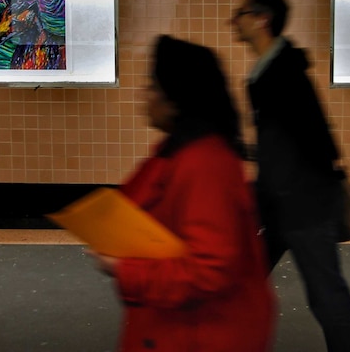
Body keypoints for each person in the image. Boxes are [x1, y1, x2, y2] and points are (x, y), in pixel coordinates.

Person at [86, 34, 275, 352]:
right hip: (184, 328)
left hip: (202, 334)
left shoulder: (204, 164)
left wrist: (124, 269)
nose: (143, 94)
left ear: (174, 96)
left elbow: (209, 270)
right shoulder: (183, 151)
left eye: (151, 85)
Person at [231, 0, 350, 352]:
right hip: (285, 201)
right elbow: (285, 140)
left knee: (326, 295)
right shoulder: (268, 70)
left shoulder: (282, 72)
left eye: (242, 13)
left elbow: (311, 137)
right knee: (246, 281)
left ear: (262, 19)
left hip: (303, 203)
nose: (234, 20)